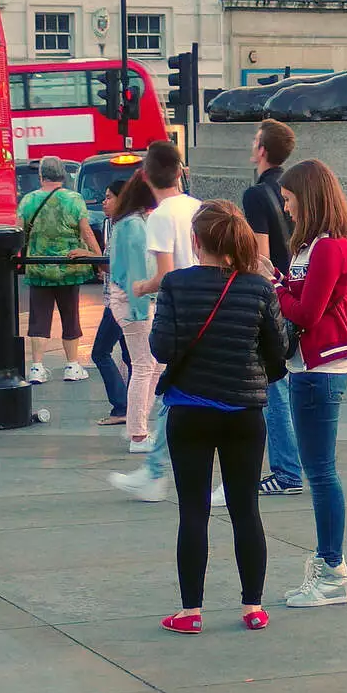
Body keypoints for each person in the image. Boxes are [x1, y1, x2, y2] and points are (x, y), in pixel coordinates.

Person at [150, 200, 290, 635]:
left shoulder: (175, 283)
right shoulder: (258, 288)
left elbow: (161, 348)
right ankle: (253, 607)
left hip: (189, 410)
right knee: (246, 508)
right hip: (244, 412)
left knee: (193, 511)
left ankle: (190, 612)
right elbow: (278, 351)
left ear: (196, 242)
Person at [276, 159, 347, 609]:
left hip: (320, 368)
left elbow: (307, 313)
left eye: (289, 199)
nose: (286, 208)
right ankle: (330, 567)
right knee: (320, 470)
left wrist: (275, 286)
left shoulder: (328, 248)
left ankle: (332, 571)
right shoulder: (313, 247)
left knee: (321, 472)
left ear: (306, 198)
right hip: (311, 366)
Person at [109, 140, 201, 500]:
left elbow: (165, 276)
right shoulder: (198, 207)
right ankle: (161, 468)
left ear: (146, 176)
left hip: (177, 312)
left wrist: (141, 286)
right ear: (180, 172)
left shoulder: (160, 217)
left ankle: (155, 470)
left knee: (171, 391)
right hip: (205, 308)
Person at [240, 119, 303, 497]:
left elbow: (261, 257)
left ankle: (286, 470)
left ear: (262, 150)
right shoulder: (291, 188)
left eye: (254, 140)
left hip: (271, 297)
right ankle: (294, 465)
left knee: (275, 386)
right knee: (286, 385)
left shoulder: (256, 195)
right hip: (293, 291)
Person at [18, 156, 101, 384]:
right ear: (63, 175)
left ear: (41, 176)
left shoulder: (29, 200)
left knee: (38, 319)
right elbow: (86, 232)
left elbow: (18, 233)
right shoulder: (74, 199)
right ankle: (72, 365)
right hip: (69, 267)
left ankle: (36, 367)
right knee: (70, 316)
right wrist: (98, 257)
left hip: (38, 267)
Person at [107, 171, 160, 447]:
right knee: (145, 365)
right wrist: (142, 309)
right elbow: (138, 272)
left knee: (149, 364)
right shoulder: (136, 225)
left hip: (130, 299)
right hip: (135, 301)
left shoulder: (128, 223)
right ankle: (138, 432)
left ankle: (136, 426)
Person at [91, 179, 133, 428]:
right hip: (123, 300)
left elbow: (113, 265)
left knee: (100, 352)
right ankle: (132, 406)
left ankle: (122, 406)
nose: (104, 202)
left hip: (119, 302)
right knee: (130, 356)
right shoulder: (117, 225)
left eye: (109, 197)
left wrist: (90, 256)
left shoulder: (123, 227)